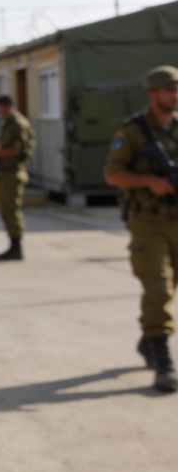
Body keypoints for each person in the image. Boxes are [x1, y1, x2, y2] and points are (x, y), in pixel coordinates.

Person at [104, 65, 178, 392]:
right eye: (169, 90)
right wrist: (150, 181)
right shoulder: (133, 130)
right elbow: (112, 174)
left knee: (169, 287)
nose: (175, 95)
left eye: (177, 89)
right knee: (159, 288)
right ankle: (163, 358)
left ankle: (149, 339)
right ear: (153, 93)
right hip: (149, 221)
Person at [0, 94, 36, 261]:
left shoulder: (17, 124)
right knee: (6, 210)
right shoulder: (9, 123)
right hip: (5, 172)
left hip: (12, 172)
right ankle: (13, 246)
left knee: (11, 210)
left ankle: (16, 248)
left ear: (6, 106)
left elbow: (16, 150)